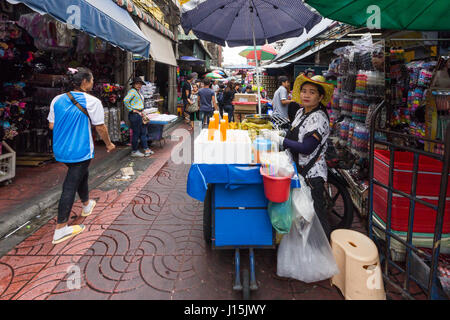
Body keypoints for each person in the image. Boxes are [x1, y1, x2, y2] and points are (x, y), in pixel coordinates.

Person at [48, 67, 116, 244]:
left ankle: (86, 205)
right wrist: (108, 144)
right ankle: (61, 229)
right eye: (92, 80)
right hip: (80, 150)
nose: (93, 83)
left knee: (81, 175)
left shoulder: (57, 99)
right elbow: (100, 126)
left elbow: (51, 126)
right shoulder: (92, 101)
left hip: (61, 149)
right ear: (84, 82)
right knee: (70, 185)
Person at [270, 75, 334, 240]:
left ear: (320, 97)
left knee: (317, 218)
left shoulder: (318, 118)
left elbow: (307, 148)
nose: (306, 95)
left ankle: (324, 253)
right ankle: (303, 251)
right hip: (298, 171)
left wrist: (281, 140)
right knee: (302, 216)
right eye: (304, 91)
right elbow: (294, 135)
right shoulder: (300, 112)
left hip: (312, 175)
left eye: (312, 92)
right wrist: (281, 134)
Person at [124, 77, 154, 157]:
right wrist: (131, 110)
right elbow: (125, 100)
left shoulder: (137, 92)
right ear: (133, 84)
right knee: (136, 133)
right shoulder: (132, 91)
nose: (139, 85)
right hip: (135, 115)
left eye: (140, 84)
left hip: (140, 114)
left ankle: (146, 148)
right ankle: (134, 151)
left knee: (143, 132)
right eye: (137, 83)